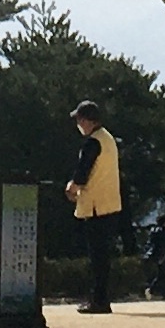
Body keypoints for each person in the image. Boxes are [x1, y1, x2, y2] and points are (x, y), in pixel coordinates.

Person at [64, 101, 123, 314]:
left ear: (89, 121)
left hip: (96, 205)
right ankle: (100, 298)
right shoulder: (108, 139)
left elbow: (83, 170)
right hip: (110, 203)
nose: (78, 124)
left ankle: (98, 301)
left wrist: (72, 188)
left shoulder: (92, 143)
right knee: (103, 256)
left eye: (80, 120)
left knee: (97, 258)